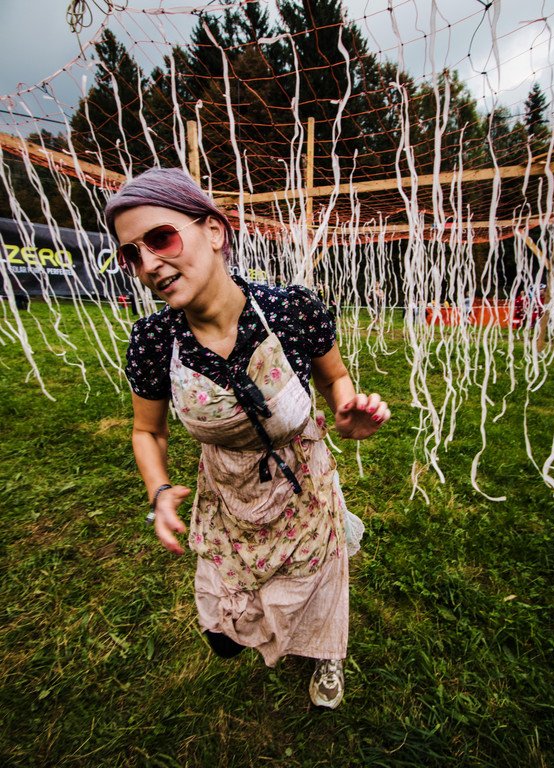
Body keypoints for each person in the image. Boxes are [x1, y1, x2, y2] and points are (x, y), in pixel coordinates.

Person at [104, 168, 391, 710]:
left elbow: (334, 378)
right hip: (227, 491)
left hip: (302, 481)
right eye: (132, 254)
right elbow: (147, 430)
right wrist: (159, 492)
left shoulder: (293, 310)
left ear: (213, 230)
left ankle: (327, 654)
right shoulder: (153, 341)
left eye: (160, 238)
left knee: (315, 580)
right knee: (226, 625)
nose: (149, 264)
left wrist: (347, 413)